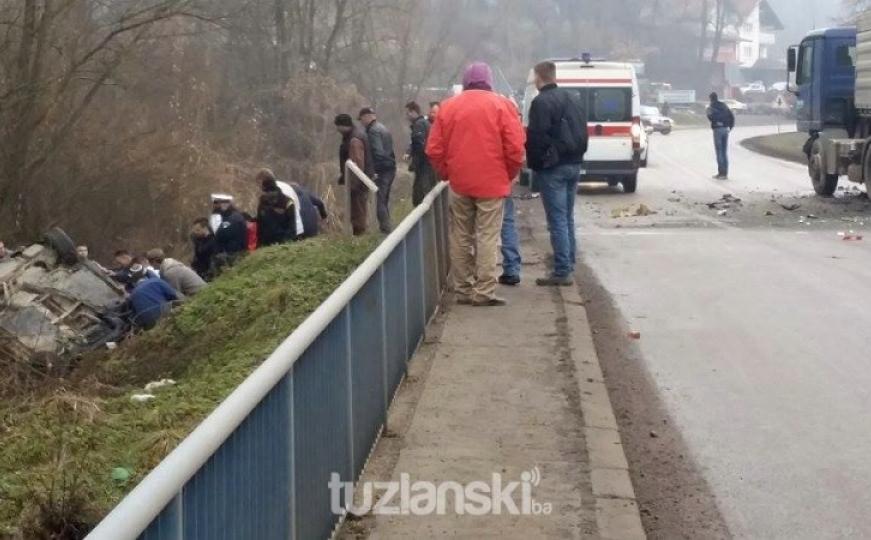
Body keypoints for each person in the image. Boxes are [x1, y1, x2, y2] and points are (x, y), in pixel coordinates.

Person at [426, 62, 526, 307]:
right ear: (489, 81)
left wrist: (447, 173)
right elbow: (515, 149)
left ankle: (462, 288)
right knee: (487, 236)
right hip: (492, 183)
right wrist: (508, 174)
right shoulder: (503, 105)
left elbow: (434, 149)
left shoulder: (448, 107)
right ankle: (484, 291)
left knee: (460, 235)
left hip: (460, 181)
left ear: (466, 81)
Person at [525, 60, 588, 287]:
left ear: (539, 77)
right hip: (574, 163)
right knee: (567, 217)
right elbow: (582, 131)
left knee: (557, 220)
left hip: (553, 168)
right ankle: (569, 262)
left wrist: (535, 165)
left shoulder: (541, 102)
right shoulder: (573, 99)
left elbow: (536, 138)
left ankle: (562, 270)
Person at [335, 114, 375, 236]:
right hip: (359, 179)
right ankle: (360, 234)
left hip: (357, 182)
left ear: (343, 126)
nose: (337, 129)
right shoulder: (355, 135)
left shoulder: (354, 140)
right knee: (359, 209)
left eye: (338, 126)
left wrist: (354, 183)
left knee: (358, 210)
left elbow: (357, 163)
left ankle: (360, 237)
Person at [359, 107, 397, 234]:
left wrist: (374, 171)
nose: (361, 123)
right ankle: (388, 228)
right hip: (390, 167)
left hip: (382, 170)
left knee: (380, 200)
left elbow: (378, 152)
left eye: (361, 119)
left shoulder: (373, 131)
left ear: (367, 117)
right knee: (384, 199)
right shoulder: (383, 127)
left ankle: (386, 231)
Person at [126, 265, 181, 330]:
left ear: (133, 279)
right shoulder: (156, 281)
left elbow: (134, 314)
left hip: (150, 326)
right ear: (145, 273)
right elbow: (173, 295)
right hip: (166, 315)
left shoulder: (132, 294)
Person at [255, 169, 305, 240]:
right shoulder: (287, 199)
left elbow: (261, 227)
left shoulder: (265, 201)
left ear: (262, 183)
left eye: (258, 184)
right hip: (294, 233)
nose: (258, 188)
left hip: (273, 240)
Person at [405, 101, 438, 205]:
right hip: (429, 165)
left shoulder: (419, 125)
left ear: (414, 112)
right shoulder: (425, 123)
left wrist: (414, 164)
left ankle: (424, 220)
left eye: (408, 113)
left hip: (424, 166)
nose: (407, 116)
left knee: (420, 196)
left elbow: (419, 146)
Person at [707, 92, 735, 180]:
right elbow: (731, 116)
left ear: (711, 98)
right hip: (725, 129)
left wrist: (715, 122)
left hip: (717, 129)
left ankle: (721, 173)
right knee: (724, 152)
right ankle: (725, 173)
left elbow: (710, 117)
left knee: (719, 152)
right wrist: (730, 127)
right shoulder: (724, 105)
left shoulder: (711, 107)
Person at [214, 196, 248, 262]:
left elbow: (225, 234)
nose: (217, 207)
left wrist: (217, 234)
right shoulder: (226, 217)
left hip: (234, 252)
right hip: (230, 251)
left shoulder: (234, 218)